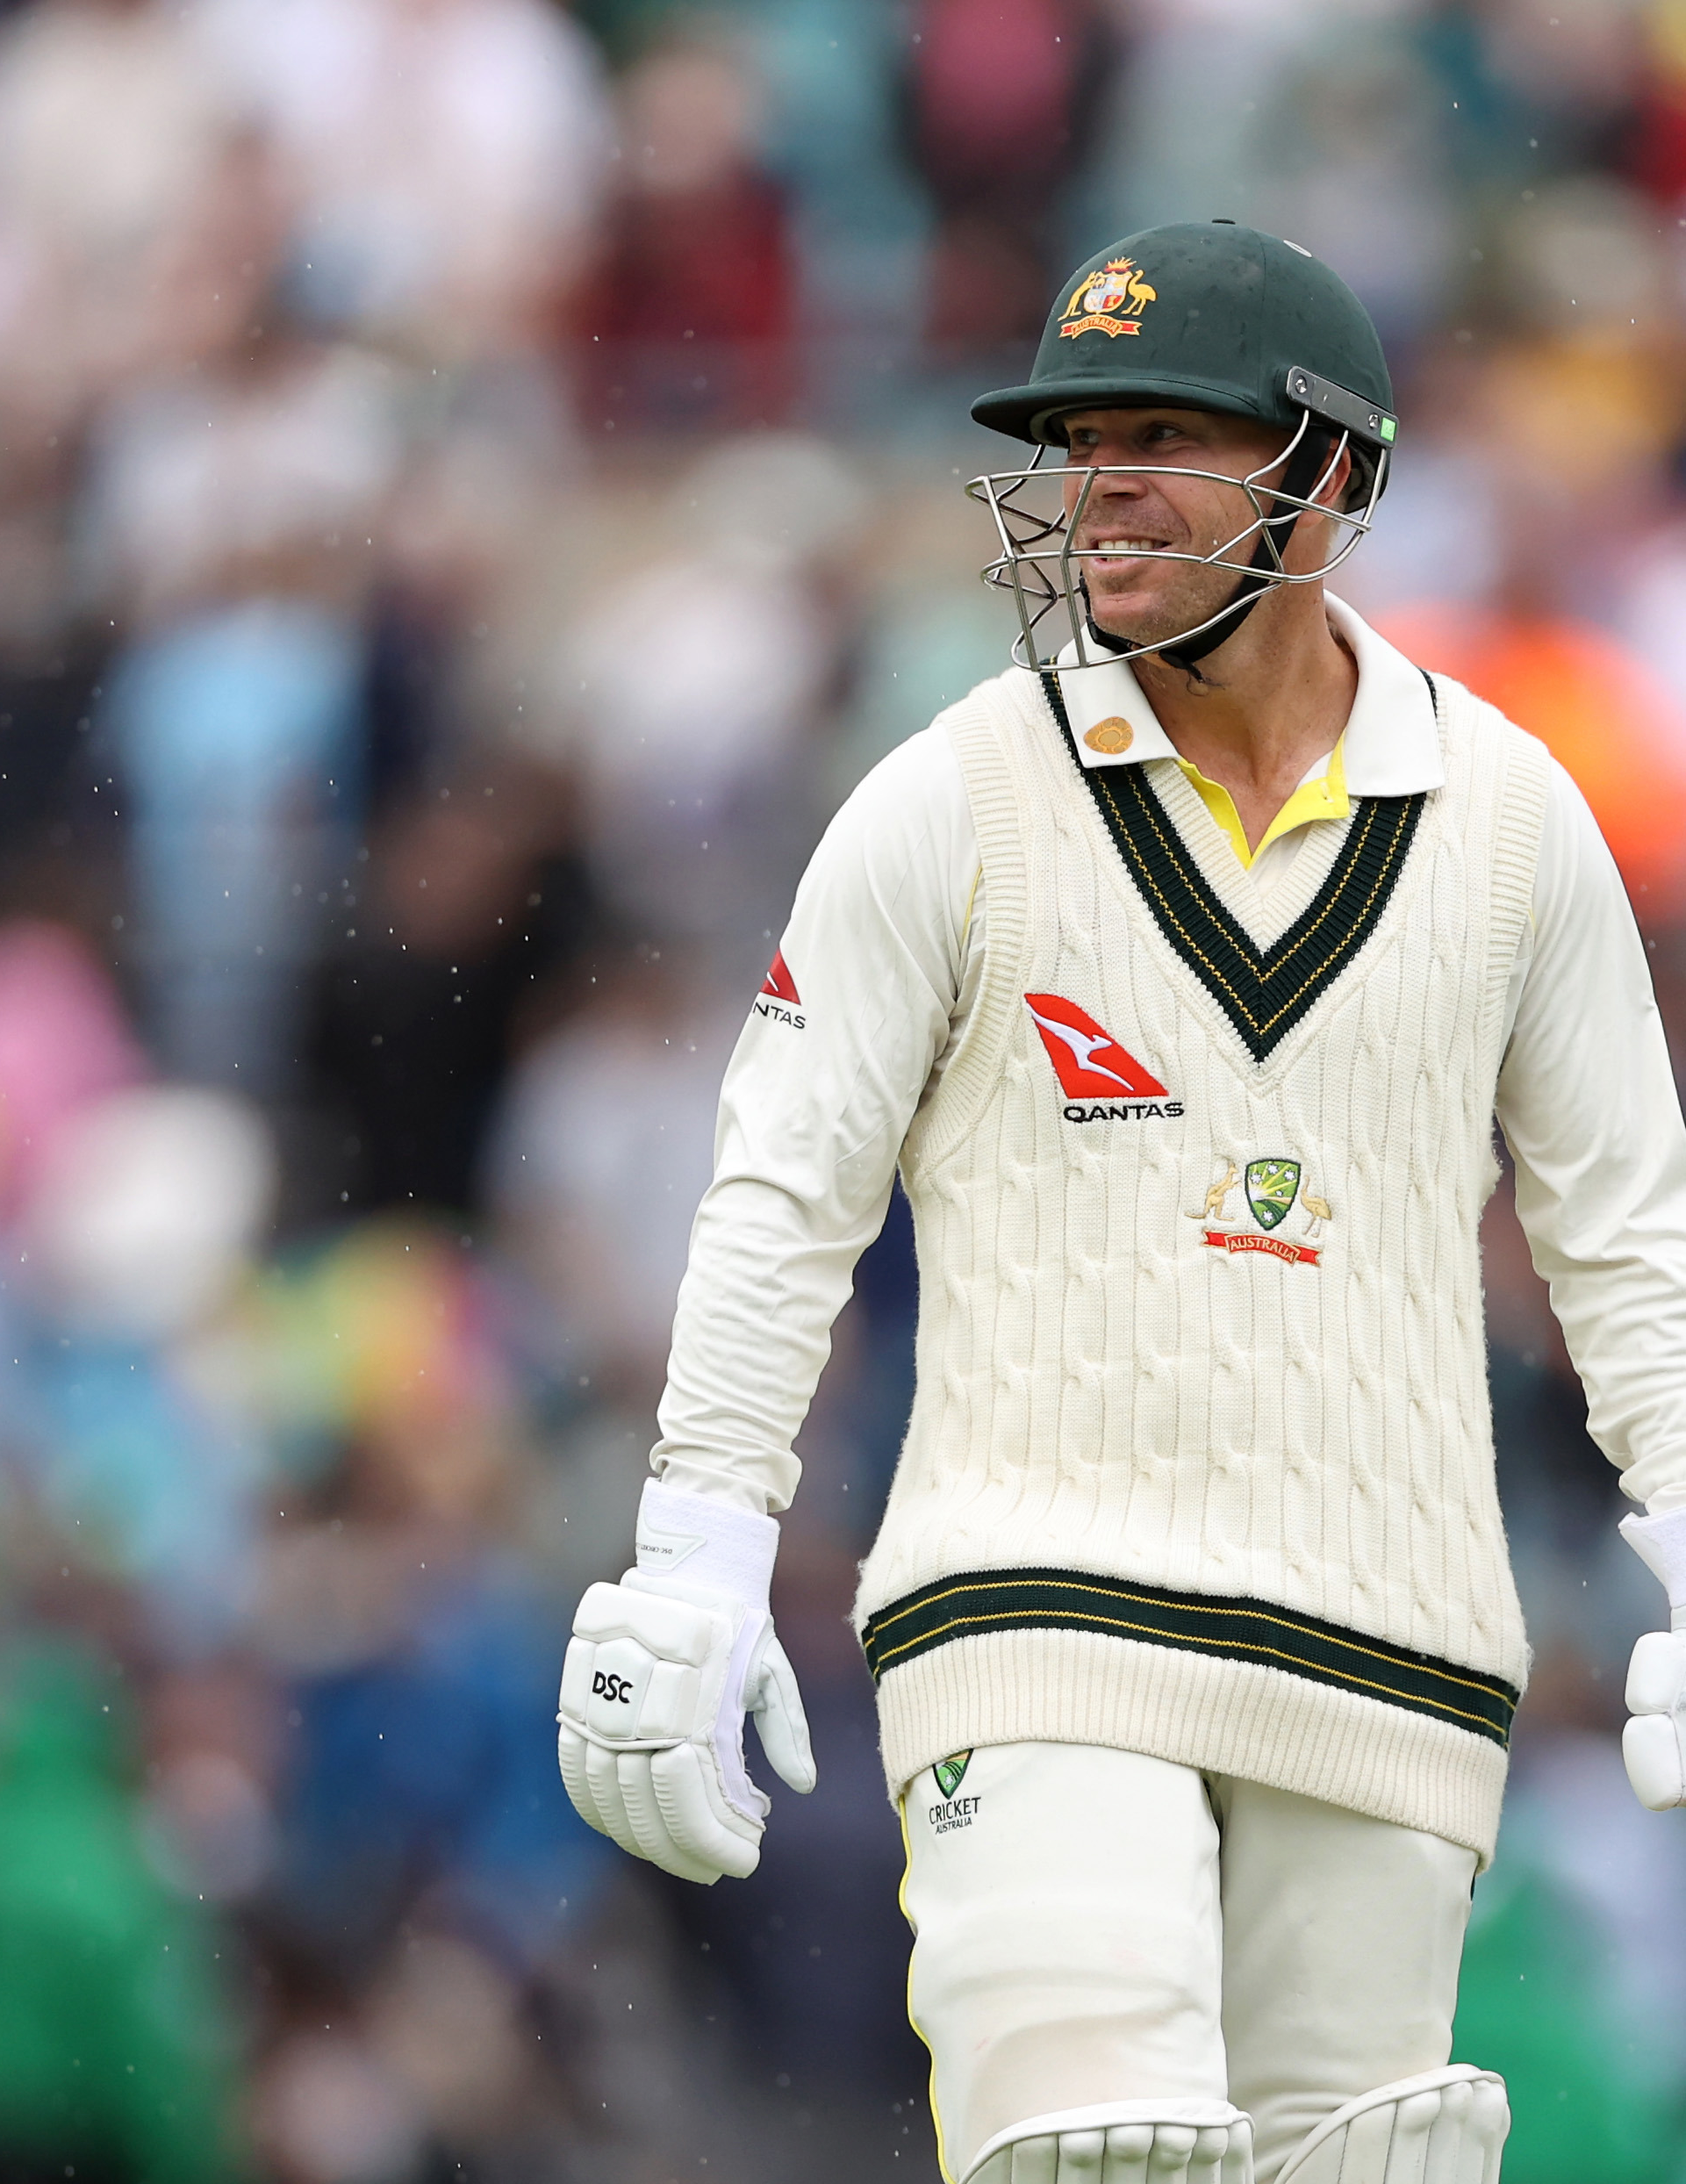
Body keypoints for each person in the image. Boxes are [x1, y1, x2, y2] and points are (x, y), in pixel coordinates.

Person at [553, 219, 1686, 2184]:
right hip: (1036, 1595)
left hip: (1393, 1645)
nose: (1103, 490)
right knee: (1098, 2144)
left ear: (1326, 476)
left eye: (1167, 431)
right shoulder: (953, 793)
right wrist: (696, 1543)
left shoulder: (1514, 824)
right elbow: (782, 1179)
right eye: (1082, 441)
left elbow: (1627, 1226)